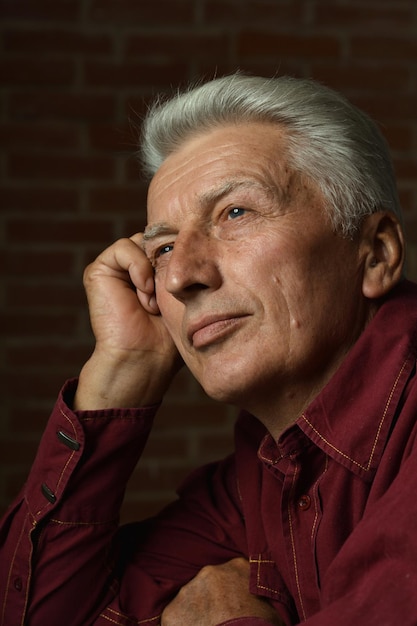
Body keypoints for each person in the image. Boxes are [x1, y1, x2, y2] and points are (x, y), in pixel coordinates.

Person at [0, 72, 416, 626]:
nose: (180, 278)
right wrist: (123, 372)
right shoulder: (264, 472)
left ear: (376, 253)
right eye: (165, 246)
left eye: (235, 213)